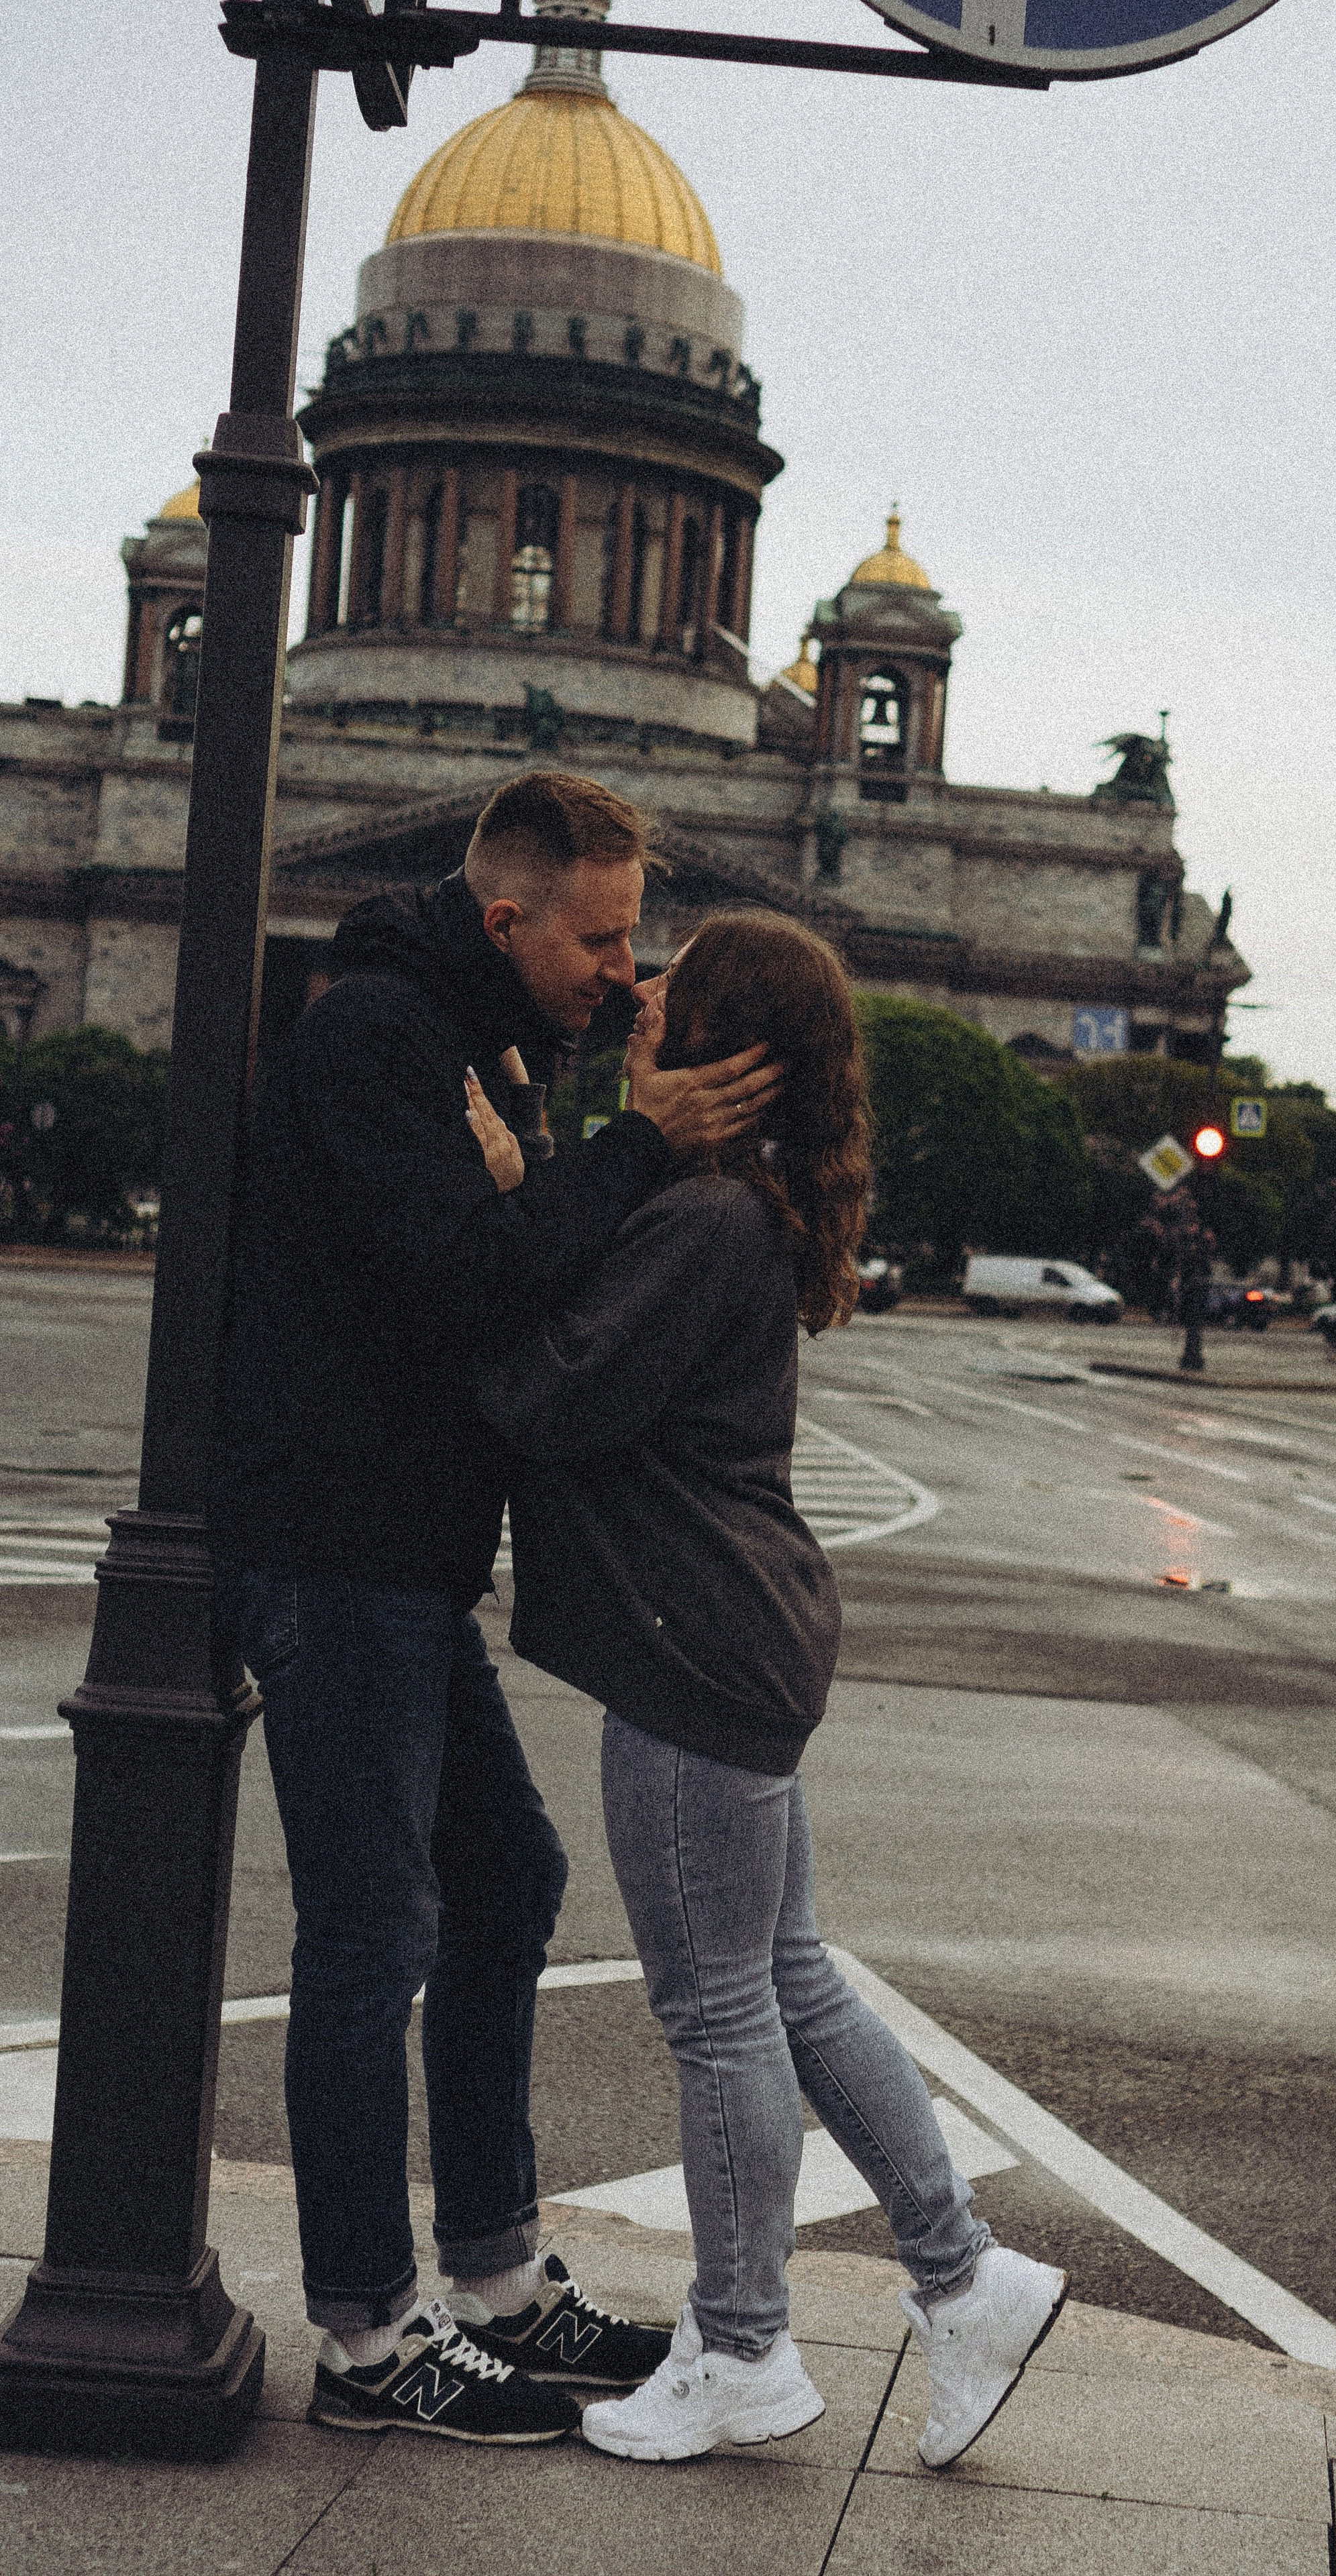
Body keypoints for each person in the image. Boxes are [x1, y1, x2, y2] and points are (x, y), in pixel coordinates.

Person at [211, 771, 778, 2445]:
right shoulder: (379, 1036)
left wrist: (583, 1128)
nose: (623, 969)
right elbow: (470, 1277)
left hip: (398, 1552)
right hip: (334, 1545)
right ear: (507, 914)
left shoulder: (477, 1038)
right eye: (601, 938)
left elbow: (515, 1248)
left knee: (504, 1880)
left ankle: (494, 2279)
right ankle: (372, 2339)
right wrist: (625, 1145)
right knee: (371, 1936)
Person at [467, 910, 1067, 2471]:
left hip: (692, 1645)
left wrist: (511, 1208)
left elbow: (542, 1395)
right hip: (736, 1629)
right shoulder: (726, 1210)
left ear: (723, 1048)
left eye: (672, 984)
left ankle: (740, 2348)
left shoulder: (701, 1223)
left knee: (718, 2006)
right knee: (785, 1977)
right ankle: (962, 2275)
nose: (640, 991)